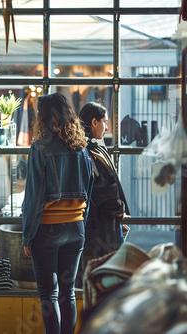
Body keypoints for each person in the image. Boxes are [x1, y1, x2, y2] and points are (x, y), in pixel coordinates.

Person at [22, 92, 94, 334]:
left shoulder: (40, 148)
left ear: (44, 117)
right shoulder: (82, 148)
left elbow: (33, 197)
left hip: (48, 229)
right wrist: (81, 222)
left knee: (49, 294)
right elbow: (89, 190)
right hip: (76, 229)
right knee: (68, 292)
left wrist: (27, 235)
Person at [77, 101, 130, 276]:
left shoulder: (87, 148)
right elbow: (100, 188)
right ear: (94, 122)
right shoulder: (90, 151)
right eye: (104, 121)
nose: (106, 127)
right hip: (101, 224)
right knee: (105, 274)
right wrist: (118, 210)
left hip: (97, 223)